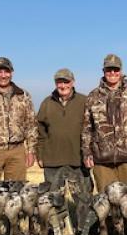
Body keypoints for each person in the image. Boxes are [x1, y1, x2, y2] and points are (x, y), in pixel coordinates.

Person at [82, 54, 127, 192]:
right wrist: (87, 153)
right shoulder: (93, 96)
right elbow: (87, 128)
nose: (112, 73)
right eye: (109, 69)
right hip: (102, 159)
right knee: (106, 201)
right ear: (104, 71)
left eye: (115, 69)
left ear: (121, 71)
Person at [36, 68, 92, 196]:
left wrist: (89, 154)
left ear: (72, 82)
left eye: (66, 82)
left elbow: (93, 129)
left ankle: (81, 217)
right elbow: (40, 131)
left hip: (78, 160)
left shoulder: (84, 101)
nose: (63, 85)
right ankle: (58, 216)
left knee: (83, 198)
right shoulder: (47, 103)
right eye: (59, 82)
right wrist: (40, 154)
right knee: (54, 200)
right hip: (52, 160)